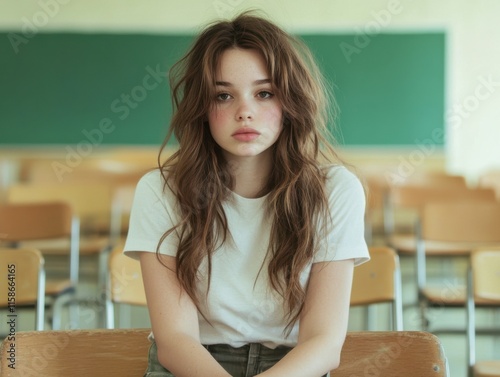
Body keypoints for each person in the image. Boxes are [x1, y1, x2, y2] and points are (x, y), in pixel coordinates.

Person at [124, 11, 369, 377]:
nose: (245, 112)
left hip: (292, 368)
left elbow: (324, 341)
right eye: (223, 96)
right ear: (202, 109)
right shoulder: (160, 190)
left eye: (264, 93)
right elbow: (175, 341)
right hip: (193, 366)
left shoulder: (336, 190)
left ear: (290, 103)